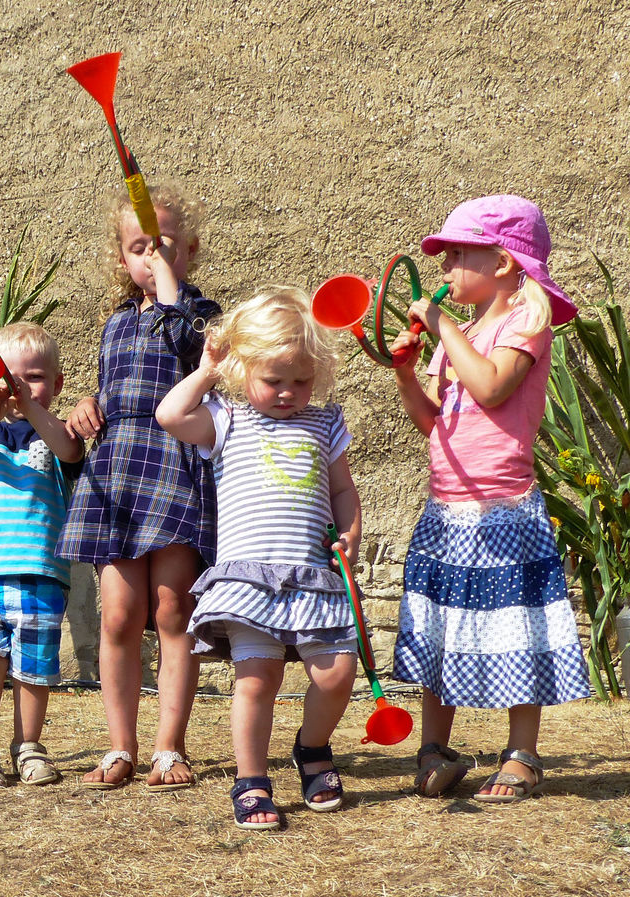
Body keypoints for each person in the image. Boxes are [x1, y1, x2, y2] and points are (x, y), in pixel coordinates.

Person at [389, 195, 589, 803]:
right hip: (447, 506)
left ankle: (522, 755)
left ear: (502, 263)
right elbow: (431, 423)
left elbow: (494, 388)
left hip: (504, 506)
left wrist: (442, 327)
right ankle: (434, 749)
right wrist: (404, 370)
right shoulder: (465, 333)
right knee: (440, 623)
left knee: (514, 625)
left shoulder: (526, 321)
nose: (444, 268)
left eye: (456, 255)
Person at [158, 286, 361, 830]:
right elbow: (170, 415)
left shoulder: (325, 424)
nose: (288, 392)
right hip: (251, 582)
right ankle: (251, 780)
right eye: (274, 380)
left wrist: (351, 532)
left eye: (302, 380)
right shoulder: (226, 420)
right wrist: (207, 371)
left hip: (315, 577)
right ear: (242, 367)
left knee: (337, 673)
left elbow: (342, 491)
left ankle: (312, 748)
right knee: (257, 680)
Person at [57, 184, 221, 791]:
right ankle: (119, 746)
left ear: (191, 252)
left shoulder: (204, 316)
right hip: (119, 469)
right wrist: (85, 403)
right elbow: (115, 385)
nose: (152, 258)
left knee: (173, 609)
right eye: (139, 248)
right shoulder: (115, 323)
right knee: (121, 614)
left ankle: (169, 747)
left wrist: (174, 298)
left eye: (166, 247)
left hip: (175, 465)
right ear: (121, 258)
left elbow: (188, 353)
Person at [0, 322, 85, 789]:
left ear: (57, 384)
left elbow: (70, 452)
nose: (19, 387)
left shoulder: (57, 431)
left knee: (34, 670)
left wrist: (30, 408)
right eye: (10, 377)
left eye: (34, 377)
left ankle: (28, 746)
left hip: (41, 573)